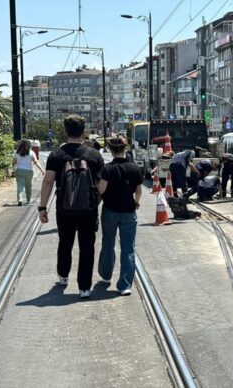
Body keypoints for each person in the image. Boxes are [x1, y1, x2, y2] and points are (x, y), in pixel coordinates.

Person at [39, 115, 105, 299]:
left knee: (65, 242)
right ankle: (84, 288)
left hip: (64, 209)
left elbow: (47, 182)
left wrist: (42, 208)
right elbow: (101, 186)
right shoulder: (94, 155)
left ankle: (63, 276)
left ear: (65, 131)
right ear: (83, 132)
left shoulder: (56, 155)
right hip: (88, 209)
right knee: (87, 246)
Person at [97, 135, 142, 296]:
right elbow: (138, 189)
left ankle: (106, 275)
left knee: (108, 243)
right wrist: (136, 202)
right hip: (129, 212)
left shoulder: (107, 169)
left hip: (110, 210)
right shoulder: (134, 168)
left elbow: (101, 190)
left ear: (110, 149)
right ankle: (125, 285)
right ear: (125, 148)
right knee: (128, 248)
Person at [12, 140, 44, 206]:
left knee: (20, 186)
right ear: (29, 146)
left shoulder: (17, 153)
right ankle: (28, 200)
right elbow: (36, 162)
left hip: (19, 170)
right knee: (28, 186)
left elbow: (13, 163)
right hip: (29, 171)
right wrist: (42, 170)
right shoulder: (31, 152)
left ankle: (20, 200)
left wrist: (14, 170)